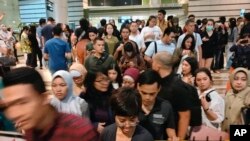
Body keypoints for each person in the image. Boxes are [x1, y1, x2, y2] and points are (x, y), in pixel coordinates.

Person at [0, 67, 98, 141]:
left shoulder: (79, 132)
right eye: (9, 105)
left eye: (23, 102)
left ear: (44, 98)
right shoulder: (30, 130)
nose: (14, 114)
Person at [152, 52, 191, 140]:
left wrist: (180, 138)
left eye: (153, 62)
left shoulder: (178, 86)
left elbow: (185, 115)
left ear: (158, 65)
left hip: (171, 134)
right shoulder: (156, 81)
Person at [137, 69, 178, 140]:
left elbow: (170, 128)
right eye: (143, 93)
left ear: (159, 89)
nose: (147, 97)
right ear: (138, 86)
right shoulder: (130, 104)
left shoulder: (165, 106)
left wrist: (172, 137)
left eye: (152, 94)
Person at [81, 70, 114, 134]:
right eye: (100, 81)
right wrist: (94, 126)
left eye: (107, 79)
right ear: (92, 81)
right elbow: (80, 120)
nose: (105, 83)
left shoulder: (114, 94)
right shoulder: (84, 97)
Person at [222, 68, 250, 132]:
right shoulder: (229, 93)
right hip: (225, 131)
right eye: (236, 79)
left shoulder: (248, 94)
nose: (239, 82)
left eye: (243, 79)